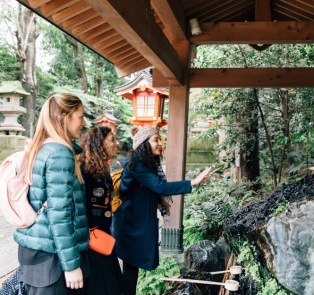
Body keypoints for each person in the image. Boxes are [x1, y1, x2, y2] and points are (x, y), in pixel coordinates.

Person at [112, 126, 212, 295]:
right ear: (144, 144)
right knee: (130, 265)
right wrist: (193, 182)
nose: (160, 143)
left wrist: (162, 201)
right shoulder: (137, 162)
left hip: (136, 219)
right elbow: (160, 186)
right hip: (130, 221)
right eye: (155, 140)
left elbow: (152, 188)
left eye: (160, 139)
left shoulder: (146, 162)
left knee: (132, 264)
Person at [14, 94, 90, 295]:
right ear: (64, 116)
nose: (84, 123)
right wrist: (71, 266)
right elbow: (60, 214)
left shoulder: (42, 147)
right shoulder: (59, 153)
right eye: (80, 116)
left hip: (39, 249)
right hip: (53, 258)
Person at [77, 126, 125, 295]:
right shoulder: (85, 172)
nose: (117, 143)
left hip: (103, 240)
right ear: (99, 144)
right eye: (112, 140)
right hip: (91, 245)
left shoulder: (101, 171)